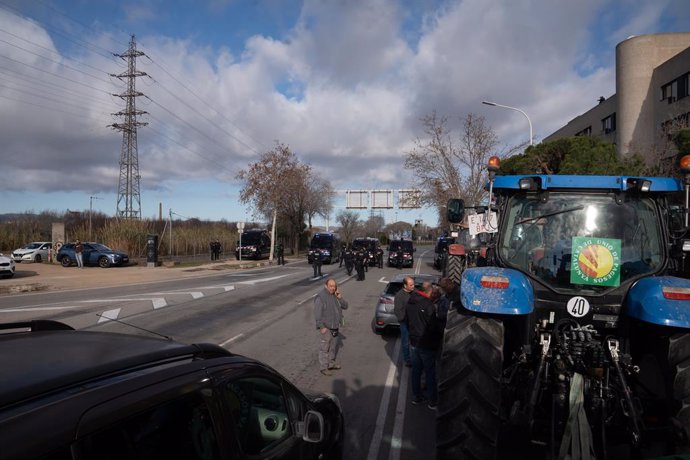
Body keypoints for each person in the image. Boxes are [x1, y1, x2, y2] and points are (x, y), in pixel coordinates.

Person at [406, 281, 443, 409]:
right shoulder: (428, 305)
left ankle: (417, 397)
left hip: (414, 341)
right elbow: (433, 326)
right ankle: (432, 401)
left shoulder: (411, 301)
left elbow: (407, 320)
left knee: (416, 371)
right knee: (430, 373)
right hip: (426, 344)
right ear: (429, 292)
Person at [314, 278, 349, 376]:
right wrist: (321, 327)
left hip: (335, 326)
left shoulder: (335, 295)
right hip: (326, 327)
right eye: (331, 286)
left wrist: (340, 297)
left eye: (334, 286)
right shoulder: (320, 297)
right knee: (324, 348)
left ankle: (331, 364)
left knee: (333, 347)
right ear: (326, 286)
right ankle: (324, 367)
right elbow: (317, 314)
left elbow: (346, 306)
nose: (333, 288)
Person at [394, 276, 415, 367]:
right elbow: (397, 311)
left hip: (414, 323)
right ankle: (408, 360)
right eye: (411, 285)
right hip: (405, 323)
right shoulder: (399, 295)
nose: (413, 286)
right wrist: (404, 320)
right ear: (405, 285)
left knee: (414, 342)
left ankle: (415, 358)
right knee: (405, 342)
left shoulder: (414, 292)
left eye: (413, 284)